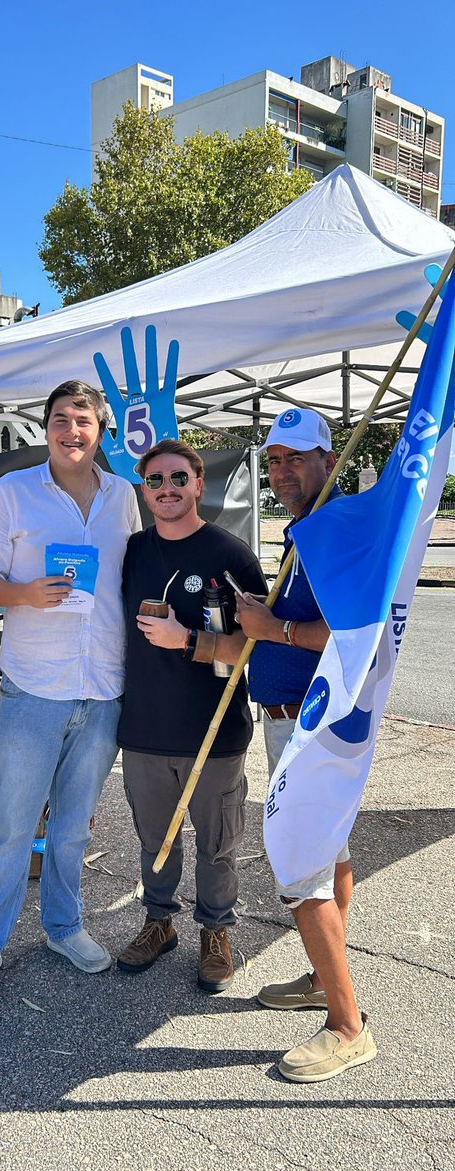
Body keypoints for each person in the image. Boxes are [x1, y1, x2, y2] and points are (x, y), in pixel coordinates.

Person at [0, 380, 141, 1004]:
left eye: (83, 420)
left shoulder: (123, 497)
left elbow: (130, 579)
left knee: (73, 829)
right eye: (60, 418)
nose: (71, 430)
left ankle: (64, 927)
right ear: (46, 427)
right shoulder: (11, 492)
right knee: (12, 826)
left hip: (102, 688)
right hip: (35, 687)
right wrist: (23, 594)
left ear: (101, 430)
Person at [233, 408, 377, 1081]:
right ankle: (325, 981)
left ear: (327, 459)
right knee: (330, 855)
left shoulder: (333, 531)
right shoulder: (306, 532)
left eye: (296, 457)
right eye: (275, 460)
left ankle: (347, 1027)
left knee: (299, 868)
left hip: (310, 726)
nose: (283, 471)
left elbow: (351, 635)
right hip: (294, 721)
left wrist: (269, 628)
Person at [116, 439, 265, 992]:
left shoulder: (231, 555)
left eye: (179, 478)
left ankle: (216, 932)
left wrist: (190, 641)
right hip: (146, 729)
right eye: (155, 481)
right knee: (154, 840)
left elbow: (260, 645)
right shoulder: (131, 551)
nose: (167, 489)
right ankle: (159, 923)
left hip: (215, 729)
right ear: (144, 491)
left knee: (217, 843)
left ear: (200, 484)